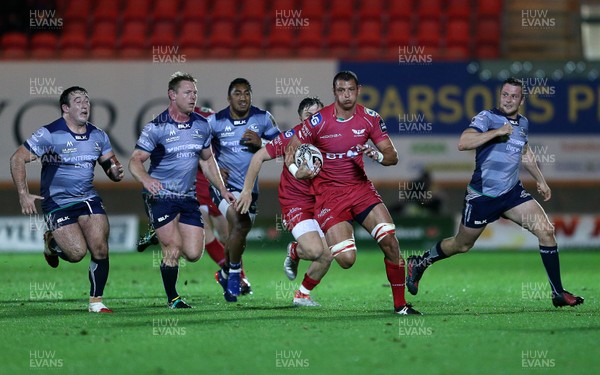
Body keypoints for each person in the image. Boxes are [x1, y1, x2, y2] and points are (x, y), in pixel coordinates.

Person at [406, 77, 584, 308]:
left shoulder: (523, 124)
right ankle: (420, 263)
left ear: (521, 100)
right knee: (462, 245)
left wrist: (541, 181)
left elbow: (525, 152)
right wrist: (496, 132)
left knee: (547, 232)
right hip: (483, 197)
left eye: (514, 96)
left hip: (512, 194)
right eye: (505, 95)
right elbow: (463, 142)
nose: (508, 100)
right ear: (500, 96)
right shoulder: (487, 117)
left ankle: (557, 292)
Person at [284, 71, 421, 315]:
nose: (346, 95)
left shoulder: (370, 118)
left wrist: (376, 155)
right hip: (329, 196)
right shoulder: (318, 121)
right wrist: (297, 171)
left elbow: (392, 157)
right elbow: (291, 147)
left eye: (350, 90)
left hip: (360, 189)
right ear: (334, 92)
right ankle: (298, 263)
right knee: (346, 260)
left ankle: (400, 305)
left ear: (358, 90)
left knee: (390, 240)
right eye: (341, 90)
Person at [9, 86, 124, 313]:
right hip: (58, 203)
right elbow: (17, 159)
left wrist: (116, 172)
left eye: (87, 101)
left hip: (88, 198)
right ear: (65, 108)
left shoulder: (98, 135)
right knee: (76, 254)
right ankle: (51, 243)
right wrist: (23, 194)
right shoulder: (50, 134)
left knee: (100, 248)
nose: (85, 105)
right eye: (78, 101)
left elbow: (111, 165)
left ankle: (96, 302)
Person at [129, 72, 234, 309]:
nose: (193, 97)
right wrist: (146, 180)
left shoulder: (201, 125)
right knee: (173, 248)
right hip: (161, 196)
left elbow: (208, 162)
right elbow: (135, 161)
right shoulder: (156, 127)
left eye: (195, 92)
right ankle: (173, 298)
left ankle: (157, 231)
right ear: (172, 95)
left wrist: (222, 189)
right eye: (187, 92)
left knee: (194, 253)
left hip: (187, 197)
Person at [135, 106, 253, 294]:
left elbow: (216, 153)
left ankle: (239, 273)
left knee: (227, 231)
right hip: (193, 185)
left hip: (214, 184)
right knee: (201, 231)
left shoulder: (210, 120)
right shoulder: (172, 124)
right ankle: (232, 275)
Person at [237, 97, 332, 306]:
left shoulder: (331, 138)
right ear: (300, 118)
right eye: (309, 116)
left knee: (329, 253)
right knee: (315, 251)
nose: (314, 119)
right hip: (296, 201)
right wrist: (246, 191)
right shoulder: (293, 137)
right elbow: (258, 157)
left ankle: (302, 295)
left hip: (323, 202)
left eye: (318, 115)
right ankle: (294, 251)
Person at [209, 78, 280, 302]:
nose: (243, 97)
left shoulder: (263, 118)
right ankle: (235, 275)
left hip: (250, 189)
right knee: (241, 223)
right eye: (237, 93)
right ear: (229, 98)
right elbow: (200, 152)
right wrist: (217, 169)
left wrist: (262, 144)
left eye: (247, 93)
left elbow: (284, 147)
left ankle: (224, 273)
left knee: (236, 234)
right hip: (224, 188)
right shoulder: (215, 121)